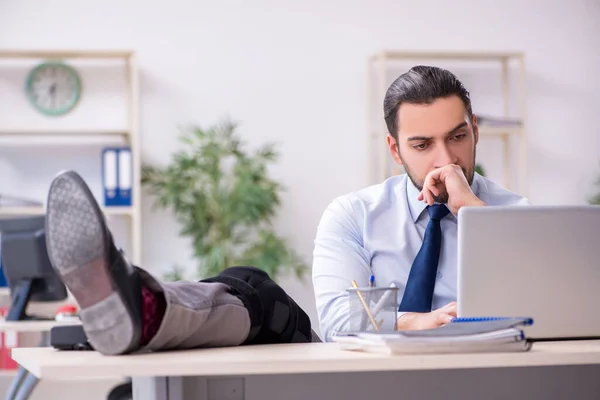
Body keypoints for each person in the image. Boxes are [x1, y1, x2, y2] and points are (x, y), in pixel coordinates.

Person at [312, 65, 529, 341]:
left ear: (475, 131)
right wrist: (415, 322)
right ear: (396, 150)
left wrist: (472, 215)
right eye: (423, 145)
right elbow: (337, 322)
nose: (446, 160)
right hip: (382, 378)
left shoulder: (519, 216)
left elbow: (542, 307)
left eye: (457, 137)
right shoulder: (353, 216)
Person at [43, 170, 317, 356]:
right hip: (333, 358)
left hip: (336, 364)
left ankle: (151, 309)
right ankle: (148, 310)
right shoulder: (352, 213)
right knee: (251, 286)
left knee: (264, 300)